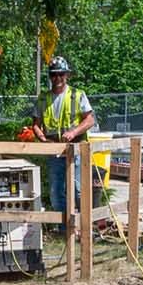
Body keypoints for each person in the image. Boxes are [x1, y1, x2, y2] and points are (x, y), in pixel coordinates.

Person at [33, 58, 95, 219]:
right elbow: (36, 125)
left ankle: (83, 227)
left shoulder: (77, 95)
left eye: (61, 74)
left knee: (78, 189)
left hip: (76, 148)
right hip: (55, 151)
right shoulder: (43, 98)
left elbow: (90, 120)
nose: (57, 78)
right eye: (54, 75)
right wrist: (42, 139)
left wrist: (74, 132)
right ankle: (64, 228)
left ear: (67, 75)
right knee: (55, 191)